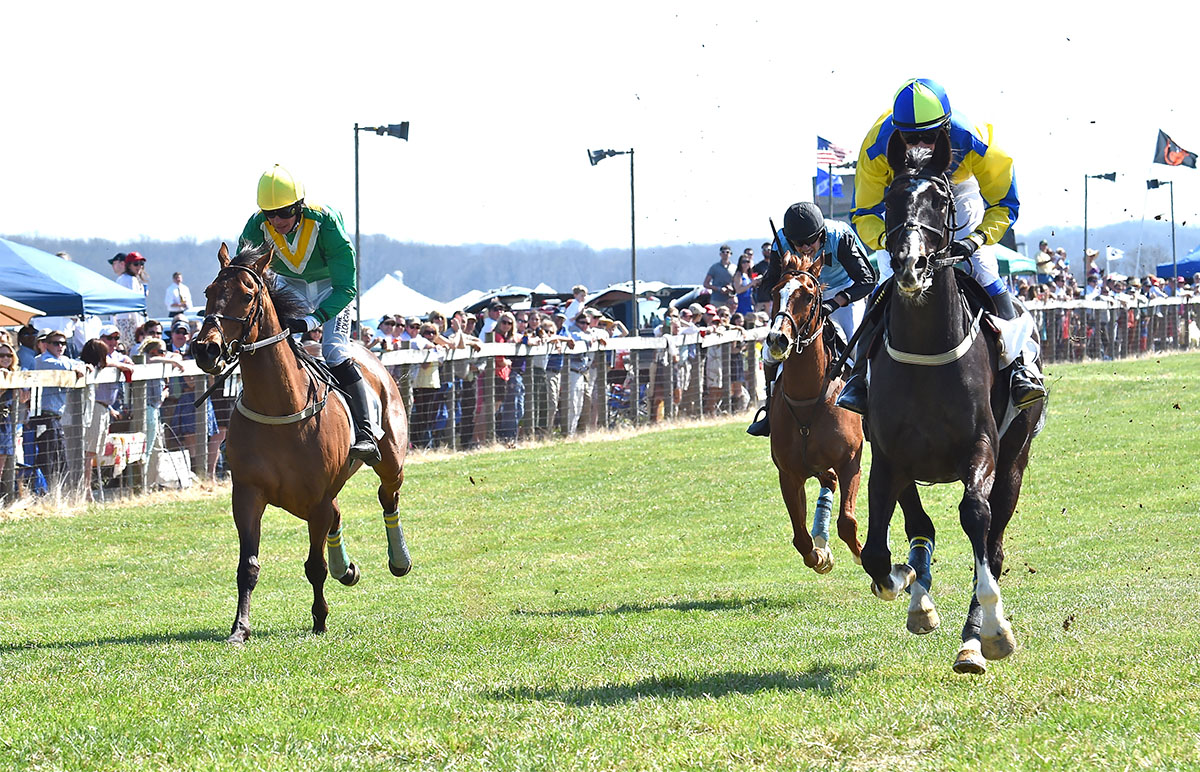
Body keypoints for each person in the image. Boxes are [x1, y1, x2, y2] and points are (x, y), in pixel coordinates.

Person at [842, 77, 1045, 415]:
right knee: (882, 282)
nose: (918, 145)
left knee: (982, 268)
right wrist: (889, 242)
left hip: (957, 187)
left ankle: (1020, 368)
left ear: (946, 127)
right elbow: (864, 213)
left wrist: (977, 239)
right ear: (896, 130)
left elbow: (1005, 204)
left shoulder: (974, 139)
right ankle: (860, 379)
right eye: (909, 138)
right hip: (902, 196)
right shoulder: (876, 146)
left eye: (929, 136)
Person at [239, 164, 379, 465]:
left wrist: (312, 320)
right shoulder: (255, 226)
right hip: (288, 285)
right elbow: (244, 276)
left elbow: (346, 288)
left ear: (300, 207)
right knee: (265, 350)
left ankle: (366, 433)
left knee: (335, 351)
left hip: (332, 289)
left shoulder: (325, 222)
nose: (277, 220)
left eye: (285, 212)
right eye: (270, 214)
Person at [747, 202, 877, 436]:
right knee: (770, 352)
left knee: (856, 347)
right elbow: (771, 282)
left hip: (844, 291)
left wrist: (835, 302)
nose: (805, 247)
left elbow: (867, 280)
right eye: (799, 244)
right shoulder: (782, 241)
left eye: (810, 241)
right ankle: (769, 409)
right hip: (801, 294)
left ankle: (870, 410)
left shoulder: (841, 237)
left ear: (821, 234)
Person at [114, 252, 149, 344]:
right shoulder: (130, 280)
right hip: (130, 321)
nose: (139, 267)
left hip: (121, 320)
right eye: (136, 264)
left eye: (141, 264)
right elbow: (133, 304)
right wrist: (139, 325)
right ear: (129, 265)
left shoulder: (121, 278)